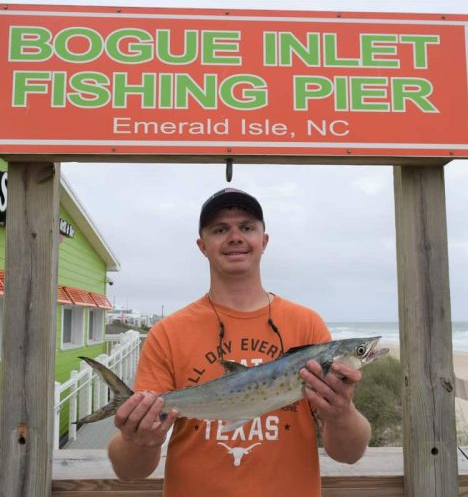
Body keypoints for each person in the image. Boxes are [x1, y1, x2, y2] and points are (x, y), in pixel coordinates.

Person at [108, 188, 371, 496]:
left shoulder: (307, 324)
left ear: (264, 241)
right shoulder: (168, 333)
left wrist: (342, 414)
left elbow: (348, 454)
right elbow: (130, 470)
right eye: (220, 229)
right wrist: (139, 438)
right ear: (202, 246)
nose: (235, 236)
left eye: (247, 227)